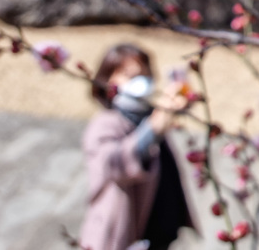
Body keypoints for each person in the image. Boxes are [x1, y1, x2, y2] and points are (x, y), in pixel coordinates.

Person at [79, 44, 196, 250]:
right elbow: (115, 164)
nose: (139, 81)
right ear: (108, 81)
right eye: (127, 75)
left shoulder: (149, 115)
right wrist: (155, 125)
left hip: (161, 235)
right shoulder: (106, 123)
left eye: (144, 73)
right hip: (120, 236)